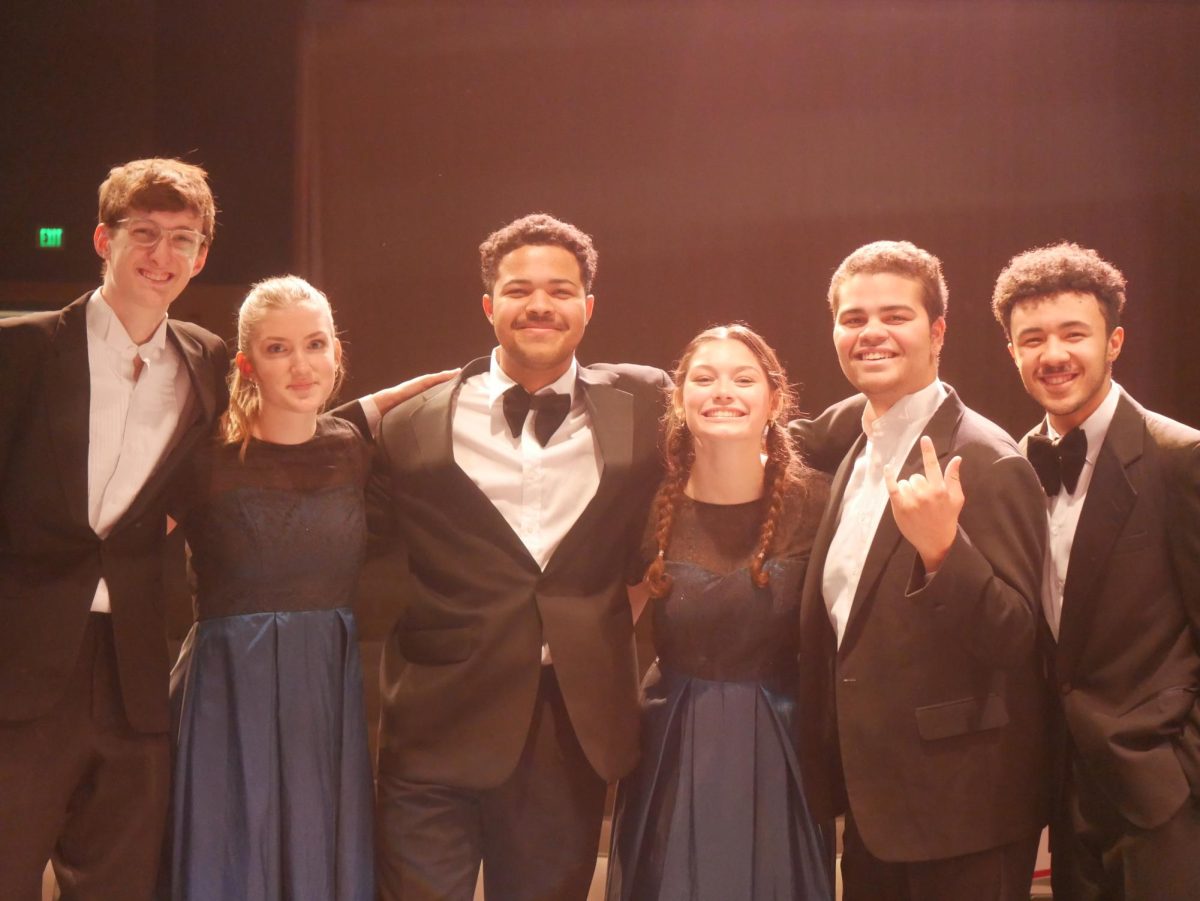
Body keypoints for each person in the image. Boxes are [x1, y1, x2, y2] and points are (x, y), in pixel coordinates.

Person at [346, 213, 670, 900]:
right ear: (491, 305)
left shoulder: (644, 407)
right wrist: (355, 414)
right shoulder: (413, 421)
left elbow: (753, 422)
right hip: (435, 720)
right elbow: (331, 514)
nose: (540, 305)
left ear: (588, 305)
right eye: (520, 290)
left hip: (567, 723)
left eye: (560, 289)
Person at [158, 275, 453, 901]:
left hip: (323, 684)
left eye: (315, 344)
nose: (300, 364)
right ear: (246, 364)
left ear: (336, 354)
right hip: (226, 692)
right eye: (277, 349)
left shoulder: (350, 448)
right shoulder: (202, 460)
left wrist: (428, 385)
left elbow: (365, 414)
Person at [793, 240, 1050, 900]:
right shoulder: (854, 445)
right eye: (852, 319)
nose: (870, 332)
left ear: (937, 331)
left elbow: (1017, 639)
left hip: (963, 817)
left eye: (894, 316)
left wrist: (944, 553)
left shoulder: (988, 459)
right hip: (876, 809)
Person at [0, 158, 228, 900]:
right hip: (19, 659)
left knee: (119, 882)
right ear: (104, 238)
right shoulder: (23, 347)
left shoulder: (207, 359)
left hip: (133, 673)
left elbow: (247, 448)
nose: (162, 257)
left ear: (202, 256)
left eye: (183, 239)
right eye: (145, 234)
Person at [991, 242, 1200, 900]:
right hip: (1057, 790)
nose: (1053, 354)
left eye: (1073, 333)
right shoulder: (1012, 466)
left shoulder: (1180, 458)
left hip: (1163, 796)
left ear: (1114, 341)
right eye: (1033, 338)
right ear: (1013, 353)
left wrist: (1182, 765)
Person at [606, 324, 833, 901]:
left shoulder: (822, 502)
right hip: (672, 739)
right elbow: (607, 626)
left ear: (774, 400)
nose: (722, 391)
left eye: (743, 378)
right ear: (679, 400)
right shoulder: (645, 505)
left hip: (781, 742)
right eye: (703, 379)